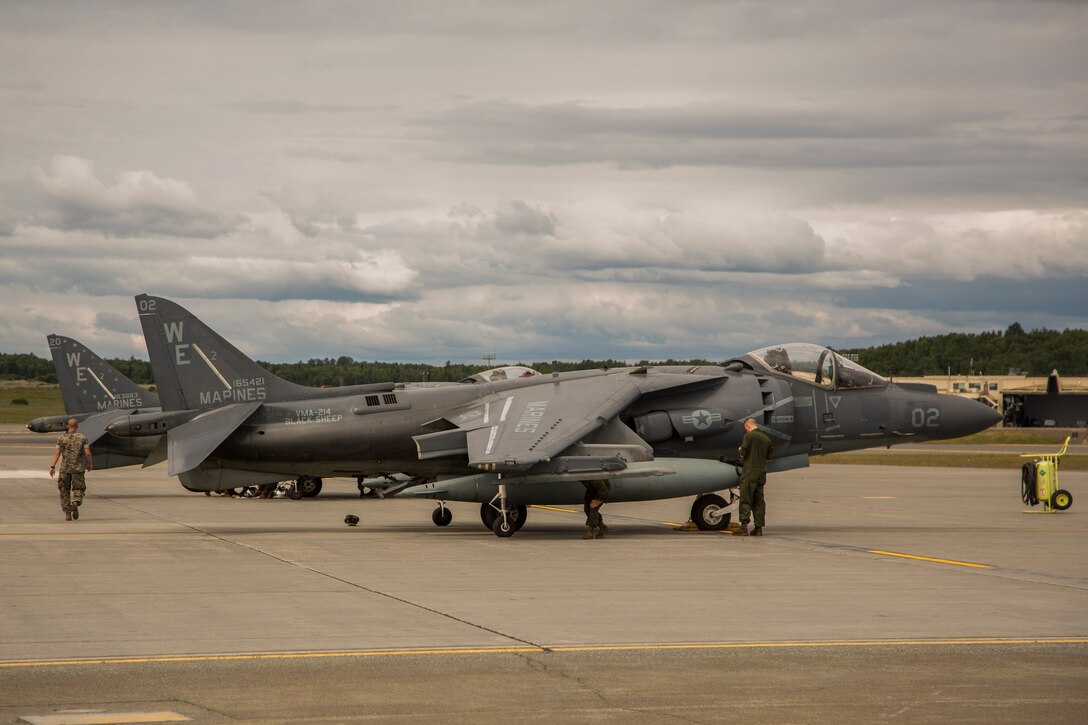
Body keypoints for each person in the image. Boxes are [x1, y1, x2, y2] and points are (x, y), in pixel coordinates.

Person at [49, 417, 93, 521]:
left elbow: (57, 453)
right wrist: (89, 463)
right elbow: (87, 453)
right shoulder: (82, 438)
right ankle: (76, 502)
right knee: (79, 488)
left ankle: (67, 514)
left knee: (64, 491)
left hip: (65, 469)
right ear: (77, 426)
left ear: (68, 426)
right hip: (77, 469)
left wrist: (52, 466)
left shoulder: (61, 438)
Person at [736, 417, 773, 536]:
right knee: (759, 500)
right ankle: (758, 528)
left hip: (750, 472)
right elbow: (769, 457)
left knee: (746, 498)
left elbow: (743, 453)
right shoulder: (766, 439)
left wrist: (741, 450)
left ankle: (743, 527)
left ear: (747, 426)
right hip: (761, 473)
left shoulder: (749, 436)